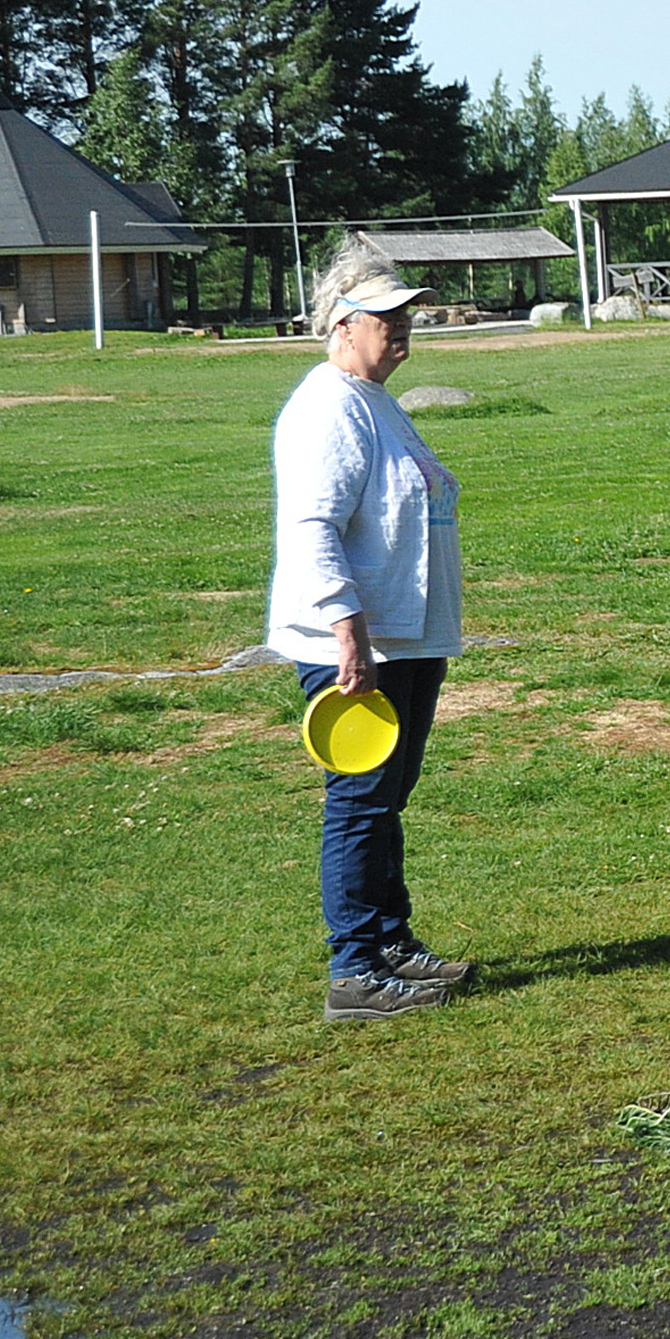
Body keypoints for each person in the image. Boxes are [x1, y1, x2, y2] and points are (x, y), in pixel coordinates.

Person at [267, 251, 475, 1022]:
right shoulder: (327, 406)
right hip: (359, 641)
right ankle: (354, 969)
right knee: (358, 800)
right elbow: (313, 524)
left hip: (408, 634)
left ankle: (391, 942)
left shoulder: (373, 398)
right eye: (386, 317)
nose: (402, 331)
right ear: (341, 324)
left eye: (407, 315)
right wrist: (344, 627)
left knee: (387, 797)